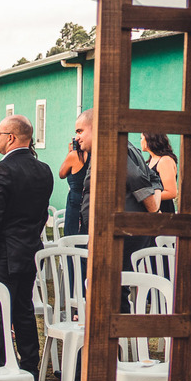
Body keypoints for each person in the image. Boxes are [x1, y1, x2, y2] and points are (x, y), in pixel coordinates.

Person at [0, 114, 54, 375]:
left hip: (1, 253)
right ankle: (29, 365)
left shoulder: (2, 169)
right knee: (23, 309)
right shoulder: (43, 169)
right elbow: (41, 215)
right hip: (27, 250)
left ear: (11, 138)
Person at [76, 110, 162, 274]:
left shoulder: (111, 147)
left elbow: (136, 177)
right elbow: (154, 178)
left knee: (113, 291)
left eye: (80, 131)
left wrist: (153, 209)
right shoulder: (127, 146)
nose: (77, 137)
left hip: (117, 236)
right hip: (115, 233)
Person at [58, 133, 90, 235]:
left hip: (75, 201)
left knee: (72, 235)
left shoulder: (74, 155)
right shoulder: (94, 156)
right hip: (89, 201)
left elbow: (62, 174)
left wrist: (70, 153)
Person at [142, 133, 178, 214]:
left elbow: (171, 192)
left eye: (141, 138)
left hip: (164, 211)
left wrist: (147, 198)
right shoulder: (152, 159)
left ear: (149, 140)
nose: (140, 141)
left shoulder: (165, 160)